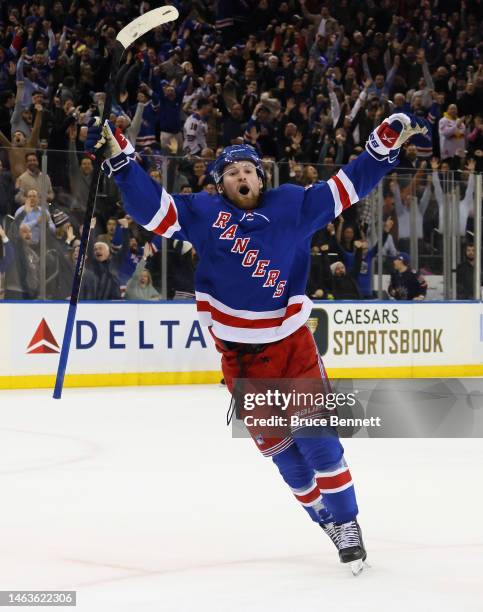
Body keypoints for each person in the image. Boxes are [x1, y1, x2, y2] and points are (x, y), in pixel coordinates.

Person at [86, 111, 426, 574]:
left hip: (292, 349)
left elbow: (348, 186)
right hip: (240, 361)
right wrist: (123, 164)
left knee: (318, 441)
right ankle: (323, 518)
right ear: (220, 184)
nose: (240, 176)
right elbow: (154, 210)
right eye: (230, 172)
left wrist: (381, 148)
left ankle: (347, 522)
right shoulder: (204, 213)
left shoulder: (293, 204)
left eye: (247, 169)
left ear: (260, 177)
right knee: (286, 457)